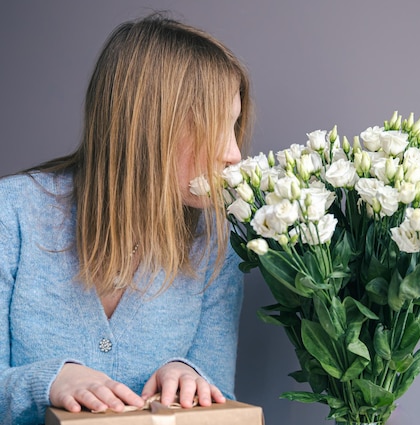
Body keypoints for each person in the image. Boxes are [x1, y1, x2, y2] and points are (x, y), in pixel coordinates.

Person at [0, 12, 252, 424]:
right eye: (214, 126)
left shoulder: (216, 245)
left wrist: (193, 377)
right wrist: (50, 382)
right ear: (150, 126)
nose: (234, 154)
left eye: (235, 125)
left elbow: (224, 399)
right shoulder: (11, 216)